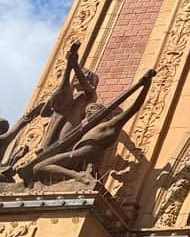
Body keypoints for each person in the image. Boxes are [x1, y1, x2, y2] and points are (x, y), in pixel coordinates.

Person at [17, 70, 154, 186]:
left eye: (93, 109)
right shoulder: (84, 128)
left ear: (102, 114)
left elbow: (134, 107)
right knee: (39, 167)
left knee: (40, 167)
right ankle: (81, 175)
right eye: (87, 111)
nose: (88, 112)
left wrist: (144, 84)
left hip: (82, 153)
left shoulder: (110, 125)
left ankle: (80, 177)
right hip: (77, 153)